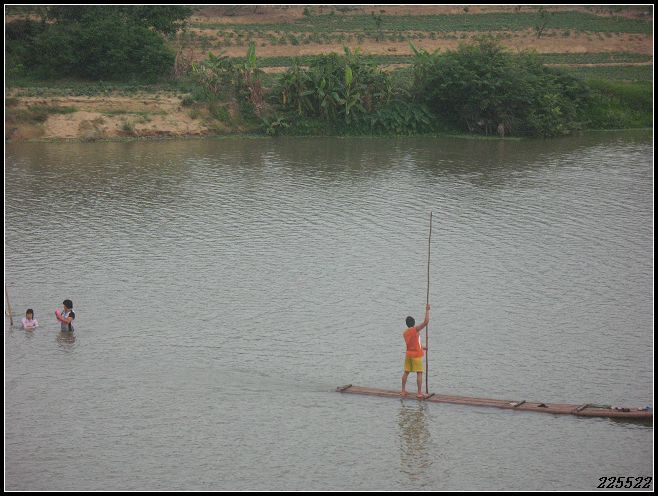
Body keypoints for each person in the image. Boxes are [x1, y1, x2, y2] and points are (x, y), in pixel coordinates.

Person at [401, 304, 430, 399]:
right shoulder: (414, 330)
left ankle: (403, 390)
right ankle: (419, 393)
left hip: (409, 355)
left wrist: (423, 348)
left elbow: (413, 344)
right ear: (413, 323)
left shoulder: (405, 333)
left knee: (406, 372)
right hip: (416, 356)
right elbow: (426, 322)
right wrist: (427, 310)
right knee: (419, 372)